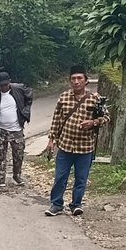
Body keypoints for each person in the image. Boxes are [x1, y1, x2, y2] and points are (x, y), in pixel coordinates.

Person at [44, 65, 109, 216]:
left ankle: (76, 204)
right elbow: (56, 120)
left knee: (81, 178)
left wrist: (93, 122)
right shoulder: (64, 97)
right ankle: (56, 204)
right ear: (69, 81)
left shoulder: (95, 99)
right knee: (60, 177)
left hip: (85, 147)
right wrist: (51, 140)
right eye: (73, 78)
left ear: (86, 81)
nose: (76, 81)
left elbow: (106, 117)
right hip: (65, 146)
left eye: (80, 78)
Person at [0, 71, 33, 188]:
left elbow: (29, 96)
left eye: (6, 85)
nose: (4, 87)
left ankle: (17, 176)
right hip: (0, 130)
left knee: (18, 154)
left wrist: (25, 111)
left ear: (9, 82)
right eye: (1, 85)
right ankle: (0, 179)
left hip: (16, 130)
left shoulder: (18, 89)